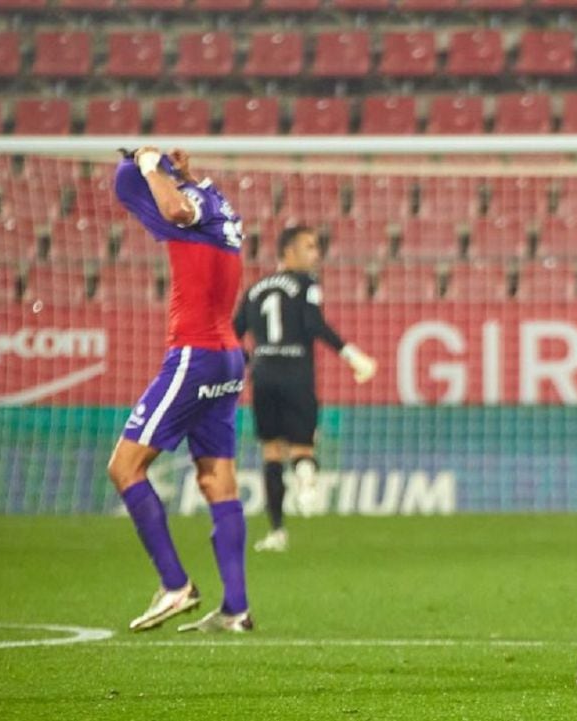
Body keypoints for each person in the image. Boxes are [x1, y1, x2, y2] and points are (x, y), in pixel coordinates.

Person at [109, 146, 253, 633]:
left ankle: (176, 585)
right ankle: (236, 608)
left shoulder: (187, 206)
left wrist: (148, 165)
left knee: (125, 467)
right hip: (228, 353)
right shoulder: (219, 202)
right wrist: (178, 174)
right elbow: (184, 204)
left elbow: (172, 208)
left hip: (196, 353)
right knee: (217, 479)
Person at [234, 226, 377, 552]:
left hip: (265, 374)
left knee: (271, 451)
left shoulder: (255, 289)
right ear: (288, 252)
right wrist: (354, 357)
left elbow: (231, 334)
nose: (316, 254)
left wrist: (249, 360)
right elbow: (314, 324)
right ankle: (306, 480)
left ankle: (276, 531)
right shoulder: (307, 285)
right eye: (309, 247)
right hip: (297, 373)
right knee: (302, 447)